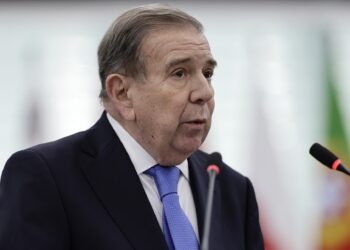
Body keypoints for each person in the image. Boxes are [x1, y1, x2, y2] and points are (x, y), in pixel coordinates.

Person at [0, 4, 264, 250]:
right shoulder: (46, 177)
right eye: (179, 73)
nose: (204, 92)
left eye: (207, 73)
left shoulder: (232, 189)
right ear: (122, 92)